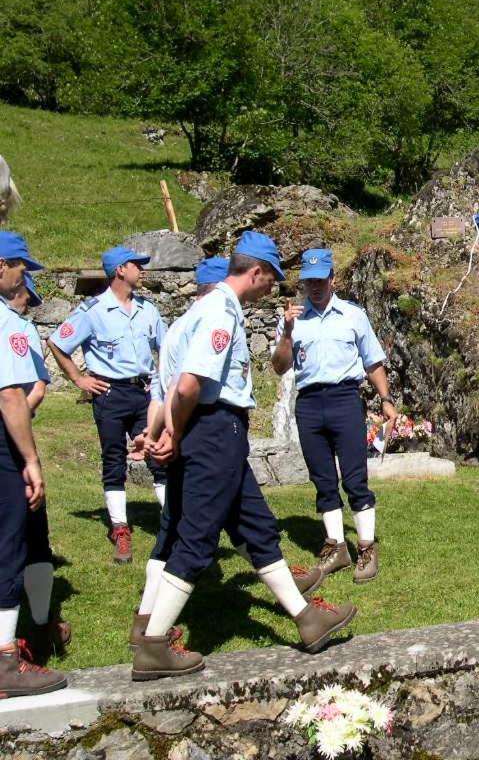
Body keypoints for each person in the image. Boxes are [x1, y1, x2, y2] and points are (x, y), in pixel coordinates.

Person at [132, 232, 357, 681]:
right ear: (254, 272)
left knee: (256, 528)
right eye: (270, 278)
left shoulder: (197, 311)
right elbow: (190, 385)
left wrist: (162, 429)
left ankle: (306, 619)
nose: (271, 287)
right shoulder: (220, 311)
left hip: (213, 430)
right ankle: (154, 643)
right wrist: (174, 432)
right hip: (214, 430)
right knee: (196, 537)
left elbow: (173, 385)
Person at [271, 248, 394, 584]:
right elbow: (279, 365)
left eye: (320, 279)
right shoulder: (294, 319)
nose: (315, 286)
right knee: (323, 480)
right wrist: (286, 333)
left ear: (332, 279)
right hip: (309, 403)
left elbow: (372, 362)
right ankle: (336, 546)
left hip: (344, 400)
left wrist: (385, 399)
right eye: (309, 280)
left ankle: (366, 548)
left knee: (355, 478)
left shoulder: (353, 315)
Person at [47, 245, 168, 564]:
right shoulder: (93, 311)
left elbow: (166, 349)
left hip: (144, 392)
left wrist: (162, 388)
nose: (142, 270)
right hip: (110, 395)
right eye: (136, 265)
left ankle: (174, 522)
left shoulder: (148, 310)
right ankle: (120, 528)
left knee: (157, 454)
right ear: (120, 270)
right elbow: (58, 342)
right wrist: (79, 379)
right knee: (114, 459)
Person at [0, 231, 67, 696]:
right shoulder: (8, 325)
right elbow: (13, 394)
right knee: (10, 542)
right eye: (22, 266)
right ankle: (6, 659)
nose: (26, 275)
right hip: (3, 443)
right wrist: (30, 459)